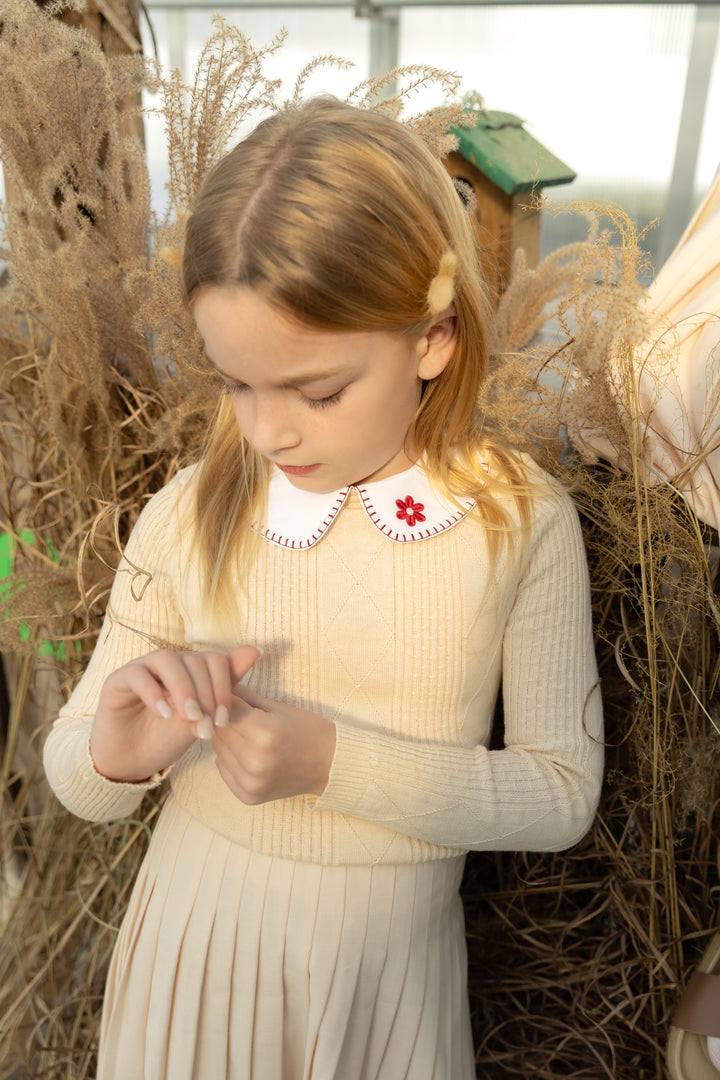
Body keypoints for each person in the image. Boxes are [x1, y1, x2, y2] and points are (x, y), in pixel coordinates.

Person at [43, 96, 603, 1080]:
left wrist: (334, 764)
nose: (268, 433)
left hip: (382, 980)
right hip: (194, 957)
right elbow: (78, 780)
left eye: (319, 390)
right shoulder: (191, 508)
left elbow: (560, 795)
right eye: (236, 382)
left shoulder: (523, 519)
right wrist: (119, 750)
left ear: (432, 338)